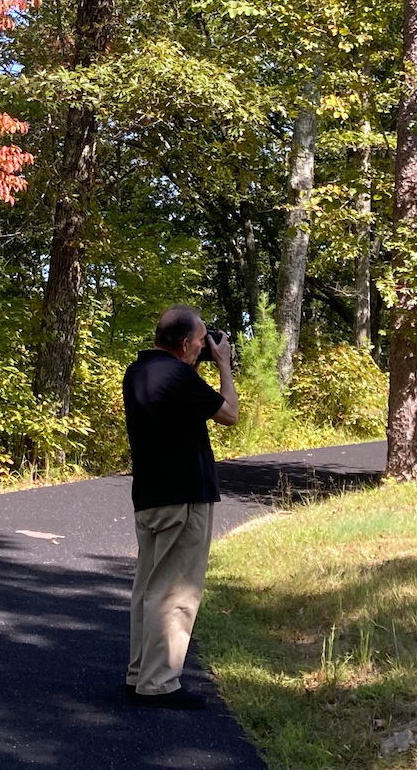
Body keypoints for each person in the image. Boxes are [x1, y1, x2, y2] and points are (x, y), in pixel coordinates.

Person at [121, 304, 238, 710]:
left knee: (148, 589)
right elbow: (229, 414)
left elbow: (180, 409)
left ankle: (140, 673)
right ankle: (159, 683)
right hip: (184, 497)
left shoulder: (137, 372)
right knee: (176, 592)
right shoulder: (177, 376)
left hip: (149, 497)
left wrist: (197, 364)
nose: (207, 344)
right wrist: (223, 365)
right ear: (187, 343)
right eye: (203, 339)